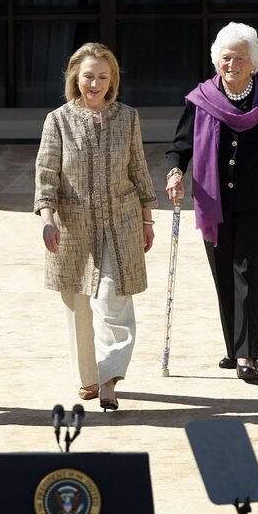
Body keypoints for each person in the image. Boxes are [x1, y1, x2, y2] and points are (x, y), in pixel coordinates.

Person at [165, 22, 258, 382]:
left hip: (256, 201)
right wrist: (175, 172)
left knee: (247, 270)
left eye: (240, 58)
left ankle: (246, 355)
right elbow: (180, 146)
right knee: (223, 272)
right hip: (213, 201)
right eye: (226, 57)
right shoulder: (201, 98)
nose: (232, 64)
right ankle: (233, 347)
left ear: (254, 63)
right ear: (217, 61)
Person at [34, 42, 157, 411]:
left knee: (113, 301)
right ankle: (88, 378)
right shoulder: (58, 120)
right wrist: (47, 218)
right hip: (73, 226)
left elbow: (138, 169)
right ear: (76, 77)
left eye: (103, 77)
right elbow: (46, 174)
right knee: (77, 303)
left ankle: (109, 378)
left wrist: (148, 217)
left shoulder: (128, 117)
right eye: (88, 76)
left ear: (112, 80)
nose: (95, 83)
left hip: (121, 222)